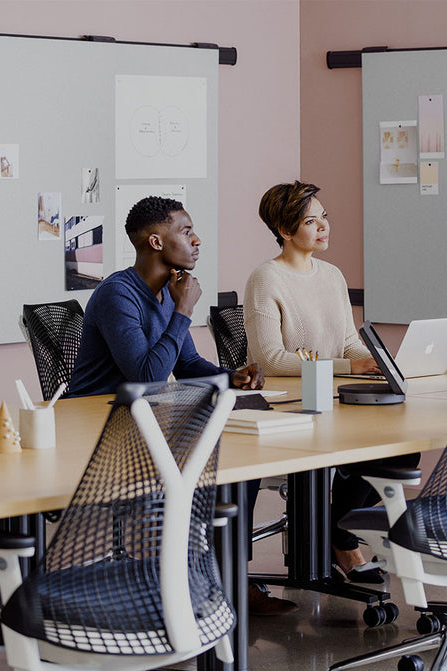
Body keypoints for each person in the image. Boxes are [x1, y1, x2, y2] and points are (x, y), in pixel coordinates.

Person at [68, 196, 296, 616]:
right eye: (186, 231)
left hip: (140, 422)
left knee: (234, 463)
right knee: (207, 462)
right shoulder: (118, 294)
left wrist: (232, 375)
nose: (197, 240)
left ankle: (225, 577)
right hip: (92, 427)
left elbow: (187, 364)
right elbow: (147, 377)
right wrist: (184, 310)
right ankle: (184, 581)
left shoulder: (166, 291)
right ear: (156, 241)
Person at [244, 180, 419, 582]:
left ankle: (334, 529)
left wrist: (380, 362)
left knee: (402, 452)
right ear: (285, 231)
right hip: (292, 406)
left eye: (324, 217)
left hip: (335, 399)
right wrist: (347, 366)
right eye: (311, 221)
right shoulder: (265, 279)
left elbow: (348, 343)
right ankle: (341, 540)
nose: (323, 227)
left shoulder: (332, 275)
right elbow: (271, 359)